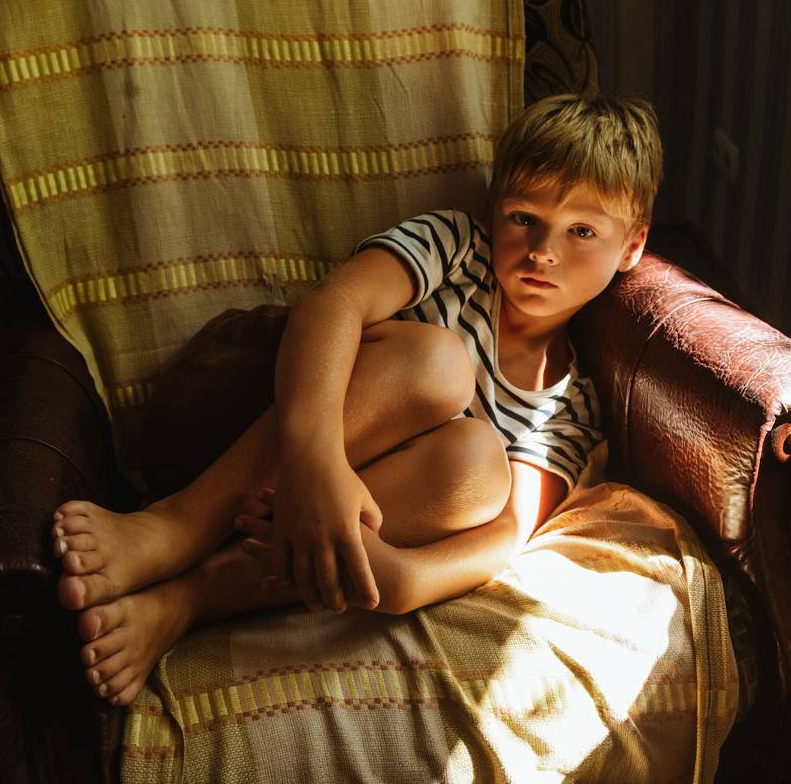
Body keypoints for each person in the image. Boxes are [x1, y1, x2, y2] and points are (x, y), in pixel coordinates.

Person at [48, 92, 665, 707]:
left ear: (632, 247)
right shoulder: (457, 248)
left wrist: (403, 578)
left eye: (582, 231)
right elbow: (332, 304)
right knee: (437, 363)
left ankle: (185, 601)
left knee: (479, 466)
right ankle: (175, 524)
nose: (543, 250)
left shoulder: (567, 411)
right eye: (523, 217)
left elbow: (505, 534)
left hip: (303, 522)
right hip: (245, 414)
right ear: (493, 209)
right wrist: (315, 464)